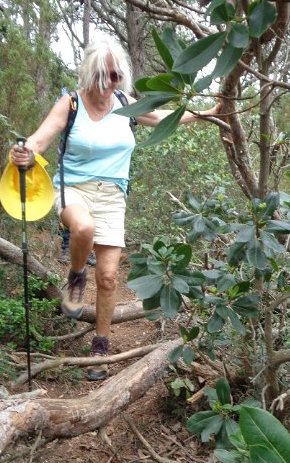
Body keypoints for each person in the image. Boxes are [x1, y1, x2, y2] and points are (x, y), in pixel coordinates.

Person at [11, 36, 220, 381]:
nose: (111, 83)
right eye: (104, 76)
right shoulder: (70, 103)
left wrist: (206, 113)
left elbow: (162, 118)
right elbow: (39, 139)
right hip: (73, 190)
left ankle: (101, 346)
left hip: (113, 196)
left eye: (116, 76)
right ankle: (76, 276)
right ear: (90, 75)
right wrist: (24, 153)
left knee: (108, 278)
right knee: (83, 228)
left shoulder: (125, 103)